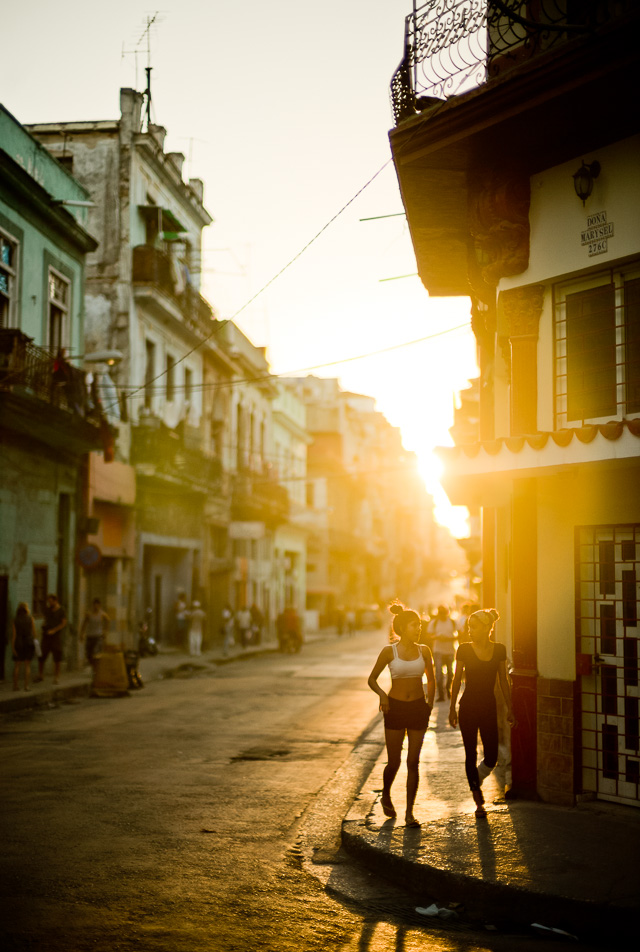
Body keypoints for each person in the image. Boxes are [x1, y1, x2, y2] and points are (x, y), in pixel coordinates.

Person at [368, 601, 436, 828]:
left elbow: (432, 680)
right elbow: (372, 679)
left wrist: (429, 705)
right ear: (402, 627)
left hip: (418, 708)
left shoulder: (424, 650)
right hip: (395, 708)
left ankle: (409, 814)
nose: (418, 628)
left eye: (419, 624)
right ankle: (386, 793)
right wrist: (383, 696)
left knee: (413, 762)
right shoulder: (390, 651)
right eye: (414, 625)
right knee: (395, 761)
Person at [449, 608, 516, 816]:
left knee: (492, 756)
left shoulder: (499, 650)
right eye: (469, 627)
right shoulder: (464, 649)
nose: (470, 631)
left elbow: (503, 680)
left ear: (487, 628)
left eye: (474, 627)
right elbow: (456, 679)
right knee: (470, 753)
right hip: (467, 706)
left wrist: (510, 707)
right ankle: (478, 799)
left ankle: (475, 778)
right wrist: (451, 708)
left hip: (489, 706)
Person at [427, 604, 457, 702]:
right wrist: (437, 637)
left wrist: (450, 638)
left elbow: (461, 634)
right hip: (438, 651)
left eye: (444, 613)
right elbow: (428, 635)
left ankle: (448, 689)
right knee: (438, 673)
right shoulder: (434, 623)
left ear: (447, 613)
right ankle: (441, 694)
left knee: (450, 673)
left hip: (449, 651)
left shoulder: (452, 622)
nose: (442, 615)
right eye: (441, 613)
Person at [35, 593, 67, 684]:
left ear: (55, 601)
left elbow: (64, 623)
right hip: (46, 635)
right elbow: (46, 619)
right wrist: (43, 625)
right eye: (49, 602)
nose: (50, 603)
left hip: (55, 636)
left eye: (51, 602)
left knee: (57, 656)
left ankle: (56, 677)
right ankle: (40, 674)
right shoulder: (48, 610)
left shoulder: (61, 610)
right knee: (41, 655)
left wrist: (54, 630)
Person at [12, 602, 36, 691]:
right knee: (27, 665)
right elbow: (34, 632)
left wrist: (13, 647)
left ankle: (15, 686)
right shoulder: (31, 619)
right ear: (26, 609)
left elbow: (14, 635)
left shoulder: (15, 620)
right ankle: (26, 686)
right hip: (28, 642)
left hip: (18, 642)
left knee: (17, 665)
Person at [80, 598, 110, 667]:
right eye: (94, 605)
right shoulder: (89, 614)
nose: (96, 607)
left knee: (96, 652)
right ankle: (93, 665)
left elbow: (108, 621)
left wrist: (105, 631)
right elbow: (84, 624)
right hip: (90, 635)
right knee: (88, 654)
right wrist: (82, 633)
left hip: (98, 636)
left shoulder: (102, 614)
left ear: (99, 605)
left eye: (97, 605)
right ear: (93, 605)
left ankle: (96, 667)